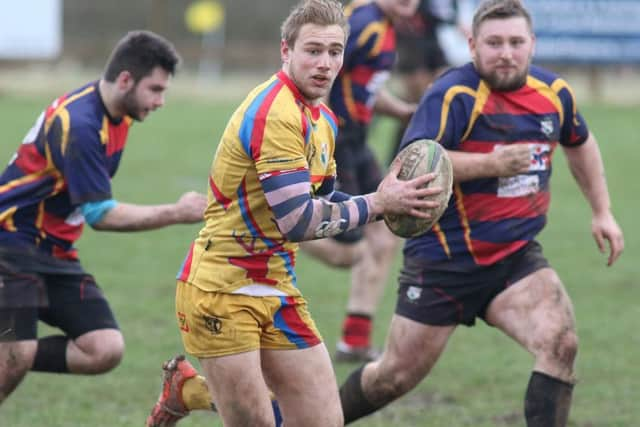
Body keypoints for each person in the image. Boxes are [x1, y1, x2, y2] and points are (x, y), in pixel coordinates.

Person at [145, 1, 444, 426]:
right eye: (313, 50)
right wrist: (378, 203)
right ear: (286, 50)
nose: (325, 64)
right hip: (221, 291)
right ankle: (191, 389)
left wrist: (391, 201)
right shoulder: (276, 113)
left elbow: (326, 199)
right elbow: (299, 220)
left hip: (278, 289)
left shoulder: (323, 119)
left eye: (335, 52)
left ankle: (189, 388)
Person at [338, 0, 625, 425]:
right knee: (393, 377)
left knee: (560, 344)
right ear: (472, 45)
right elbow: (412, 162)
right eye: (494, 43)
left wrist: (602, 210)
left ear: (533, 44)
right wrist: (492, 163)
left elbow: (579, 141)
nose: (505, 52)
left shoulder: (554, 94)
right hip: (443, 262)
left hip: (515, 259)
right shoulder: (452, 94)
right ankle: (313, 417)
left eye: (515, 42)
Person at [0, 31, 208, 405]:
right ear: (125, 80)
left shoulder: (117, 113)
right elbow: (101, 215)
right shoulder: (80, 125)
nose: (160, 101)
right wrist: (176, 212)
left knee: (103, 348)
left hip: (54, 250)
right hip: (11, 241)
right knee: (16, 357)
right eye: (155, 90)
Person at [299, 0, 422, 364]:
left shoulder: (383, 25)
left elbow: (362, 88)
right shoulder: (362, 23)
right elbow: (314, 76)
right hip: (335, 141)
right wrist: (312, 130)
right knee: (347, 252)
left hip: (357, 142)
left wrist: (403, 111)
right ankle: (272, 223)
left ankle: (355, 339)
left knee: (386, 233)